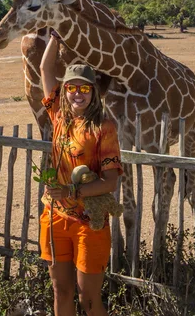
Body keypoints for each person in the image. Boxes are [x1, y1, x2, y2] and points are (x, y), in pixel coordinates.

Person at [39, 33, 123, 316]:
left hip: (90, 223)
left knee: (88, 298)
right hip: (54, 218)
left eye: (85, 89)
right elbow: (45, 69)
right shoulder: (58, 117)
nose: (77, 94)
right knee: (61, 291)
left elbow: (111, 181)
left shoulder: (104, 128)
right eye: (72, 87)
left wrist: (71, 192)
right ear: (65, 91)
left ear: (94, 93)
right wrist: (55, 36)